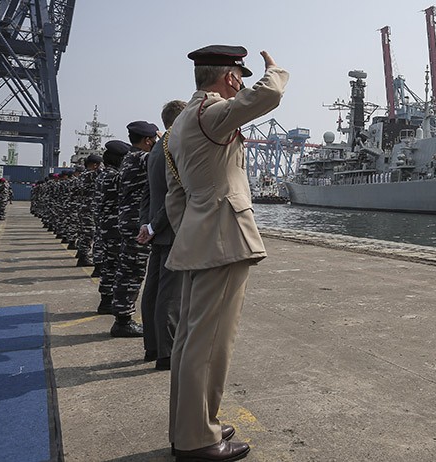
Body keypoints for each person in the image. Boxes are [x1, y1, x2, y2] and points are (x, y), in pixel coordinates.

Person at [164, 45, 288, 461]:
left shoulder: (180, 123)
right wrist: (275, 70)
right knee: (210, 344)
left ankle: (188, 426)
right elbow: (268, 95)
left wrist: (191, 234)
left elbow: (175, 196)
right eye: (239, 78)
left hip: (201, 237)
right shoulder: (212, 113)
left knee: (190, 340)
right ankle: (199, 438)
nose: (240, 85)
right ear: (231, 77)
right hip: (223, 237)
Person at [138, 100, 186, 371]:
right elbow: (175, 193)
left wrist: (145, 225)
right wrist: (154, 226)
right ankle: (167, 354)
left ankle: (153, 346)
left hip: (158, 229)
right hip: (171, 228)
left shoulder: (156, 148)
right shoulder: (175, 147)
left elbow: (148, 193)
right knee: (170, 295)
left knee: (153, 291)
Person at [110, 121, 157, 339]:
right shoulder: (142, 158)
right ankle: (123, 322)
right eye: (153, 139)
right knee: (132, 271)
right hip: (136, 222)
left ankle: (122, 317)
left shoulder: (129, 158)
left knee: (127, 268)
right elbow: (166, 159)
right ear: (147, 140)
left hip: (128, 219)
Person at [94, 140, 131, 316]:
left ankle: (106, 300)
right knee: (117, 266)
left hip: (106, 225)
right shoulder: (115, 177)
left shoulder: (102, 175)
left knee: (109, 264)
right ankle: (110, 302)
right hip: (115, 226)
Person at [75, 154, 102, 267]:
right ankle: (83, 257)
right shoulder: (92, 174)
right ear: (95, 165)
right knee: (89, 233)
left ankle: (81, 253)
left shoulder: (82, 175)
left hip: (83, 207)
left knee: (83, 232)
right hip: (89, 208)